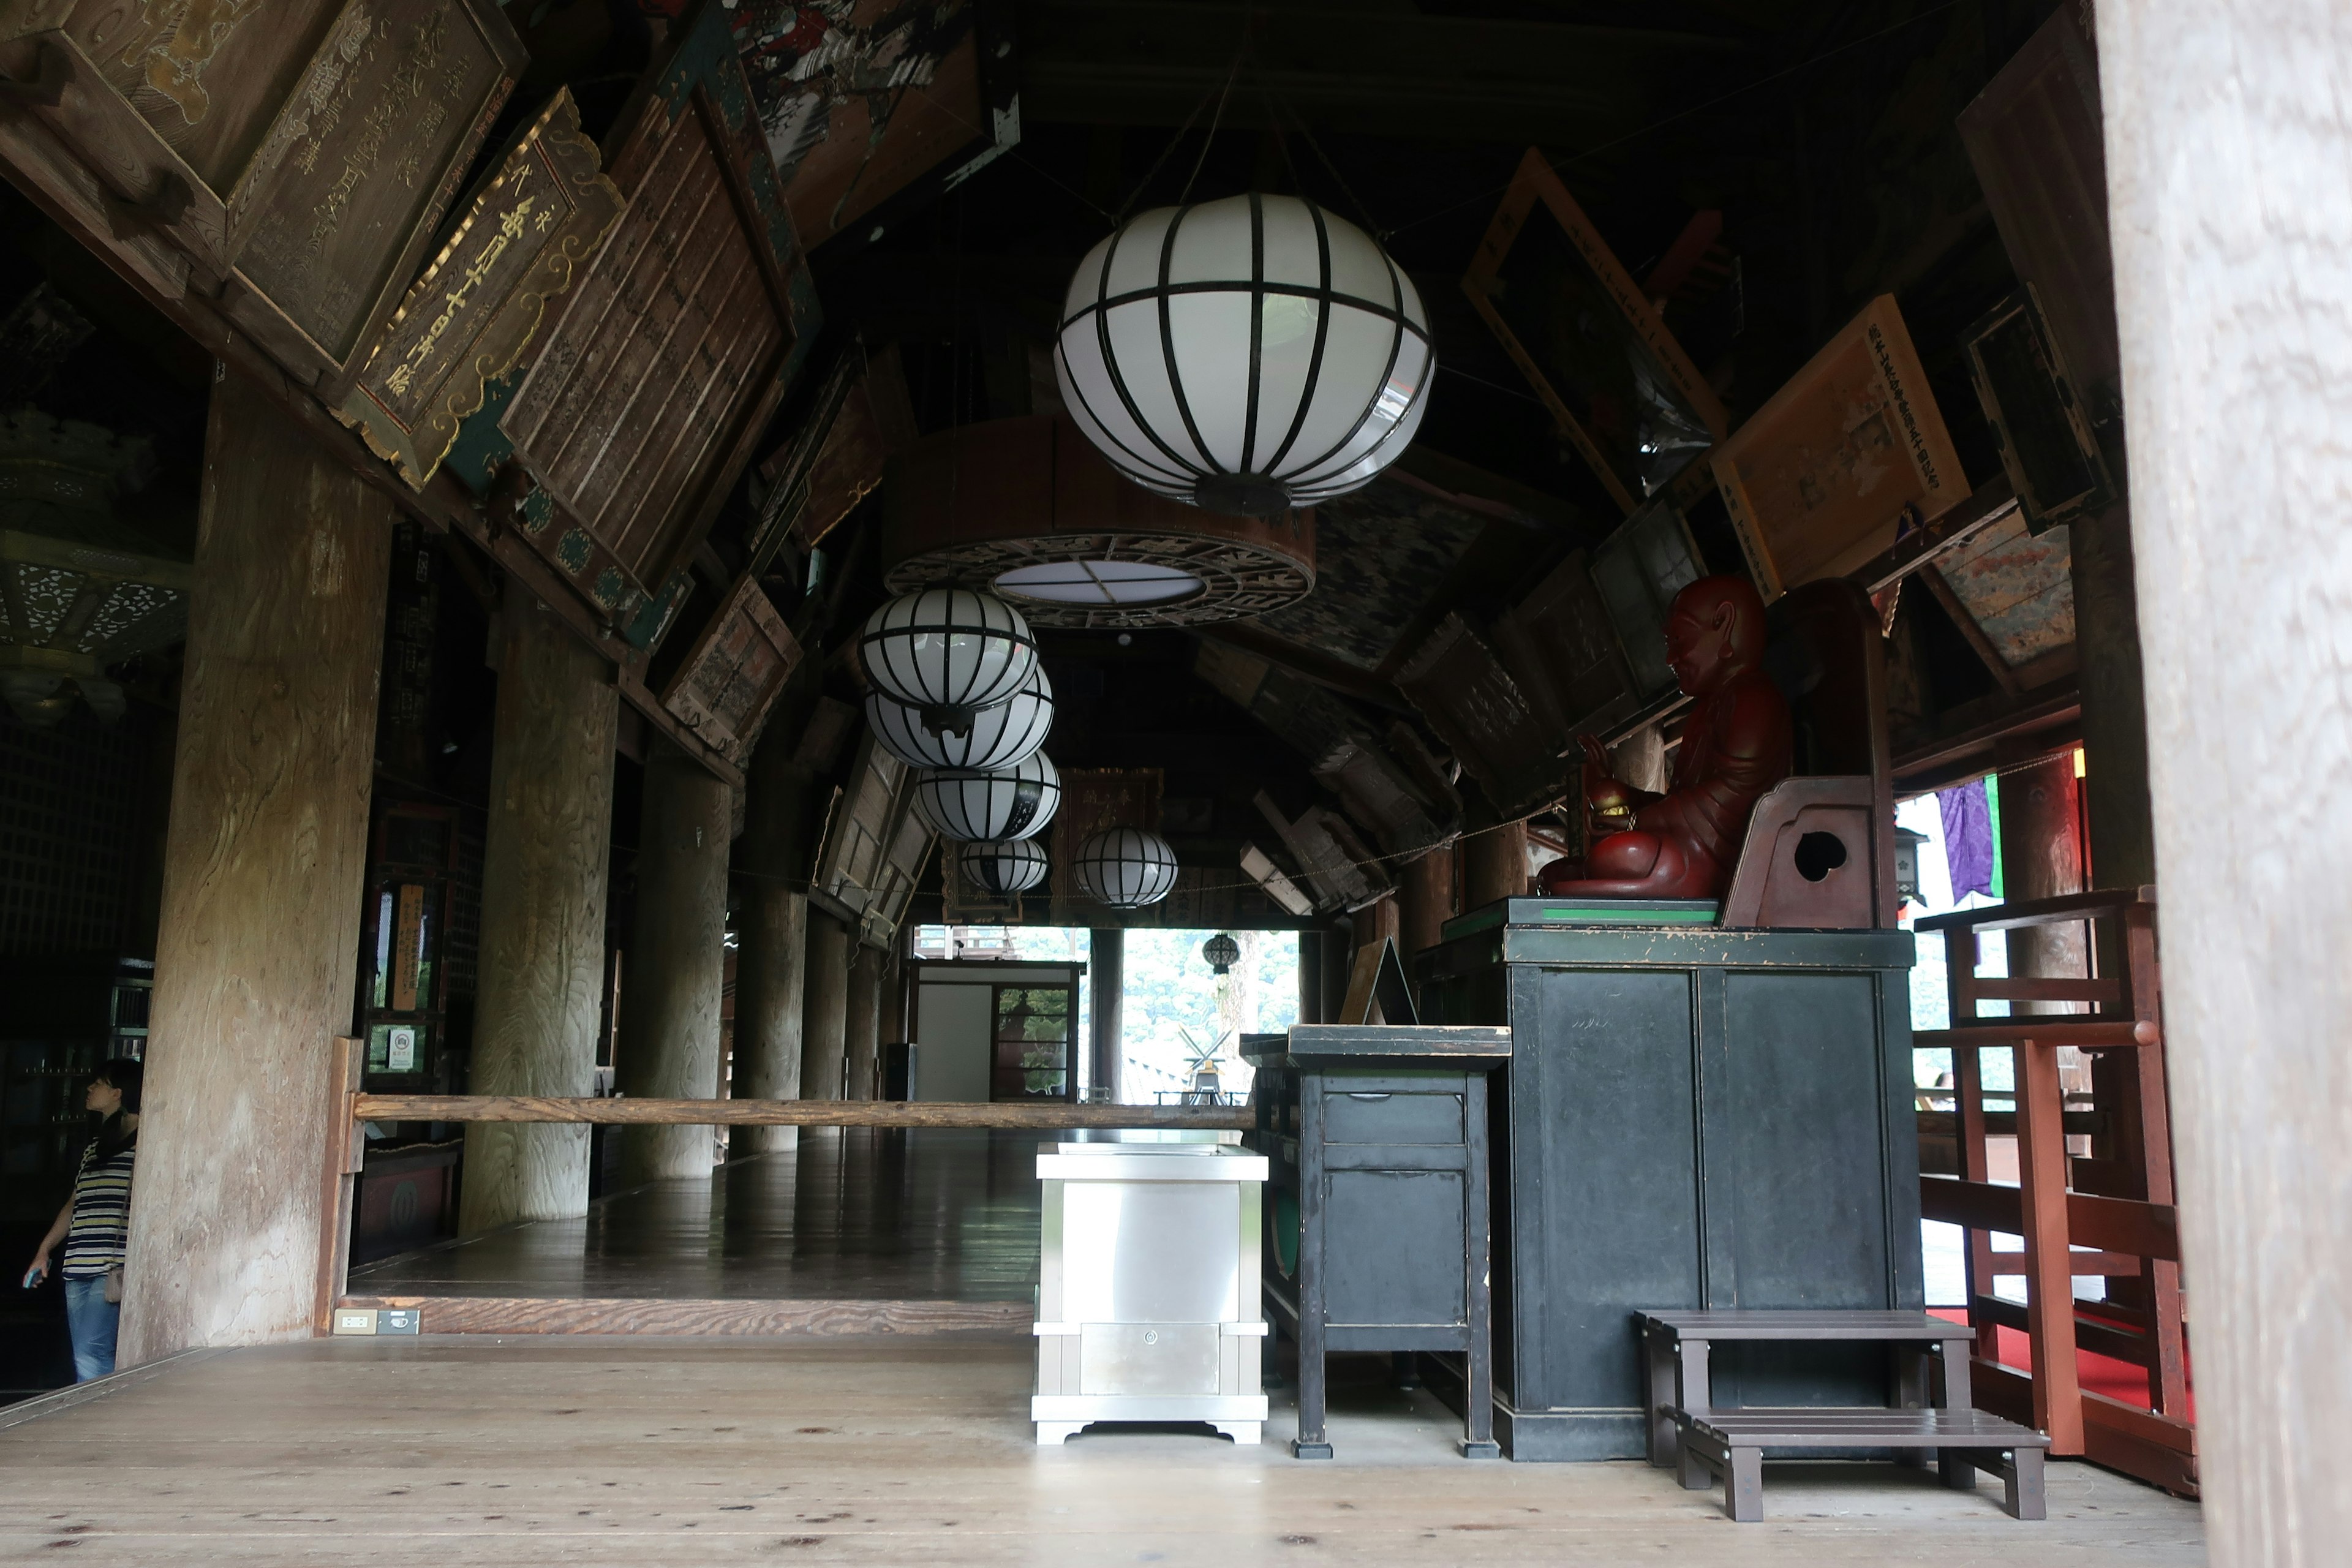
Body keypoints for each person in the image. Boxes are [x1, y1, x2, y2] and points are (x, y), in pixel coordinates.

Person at [1539, 575, 1792, 900]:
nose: (1671, 658)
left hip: (1722, 864)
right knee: (1556, 873)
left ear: (1725, 623)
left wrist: (1638, 819)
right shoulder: (1708, 709)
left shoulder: (1753, 699)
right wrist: (1622, 796)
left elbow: (1731, 799)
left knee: (1615, 856)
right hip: (1688, 852)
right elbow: (1684, 798)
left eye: (1680, 639)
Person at [25, 1059, 142, 1381]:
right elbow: (74, 1204)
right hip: (78, 1265)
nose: (90, 1089)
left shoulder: (147, 1142)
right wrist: (44, 1250)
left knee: (91, 1353)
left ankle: (98, 1422)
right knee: (85, 1354)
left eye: (99, 1084)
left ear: (118, 1092)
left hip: (112, 1265)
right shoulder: (94, 1148)